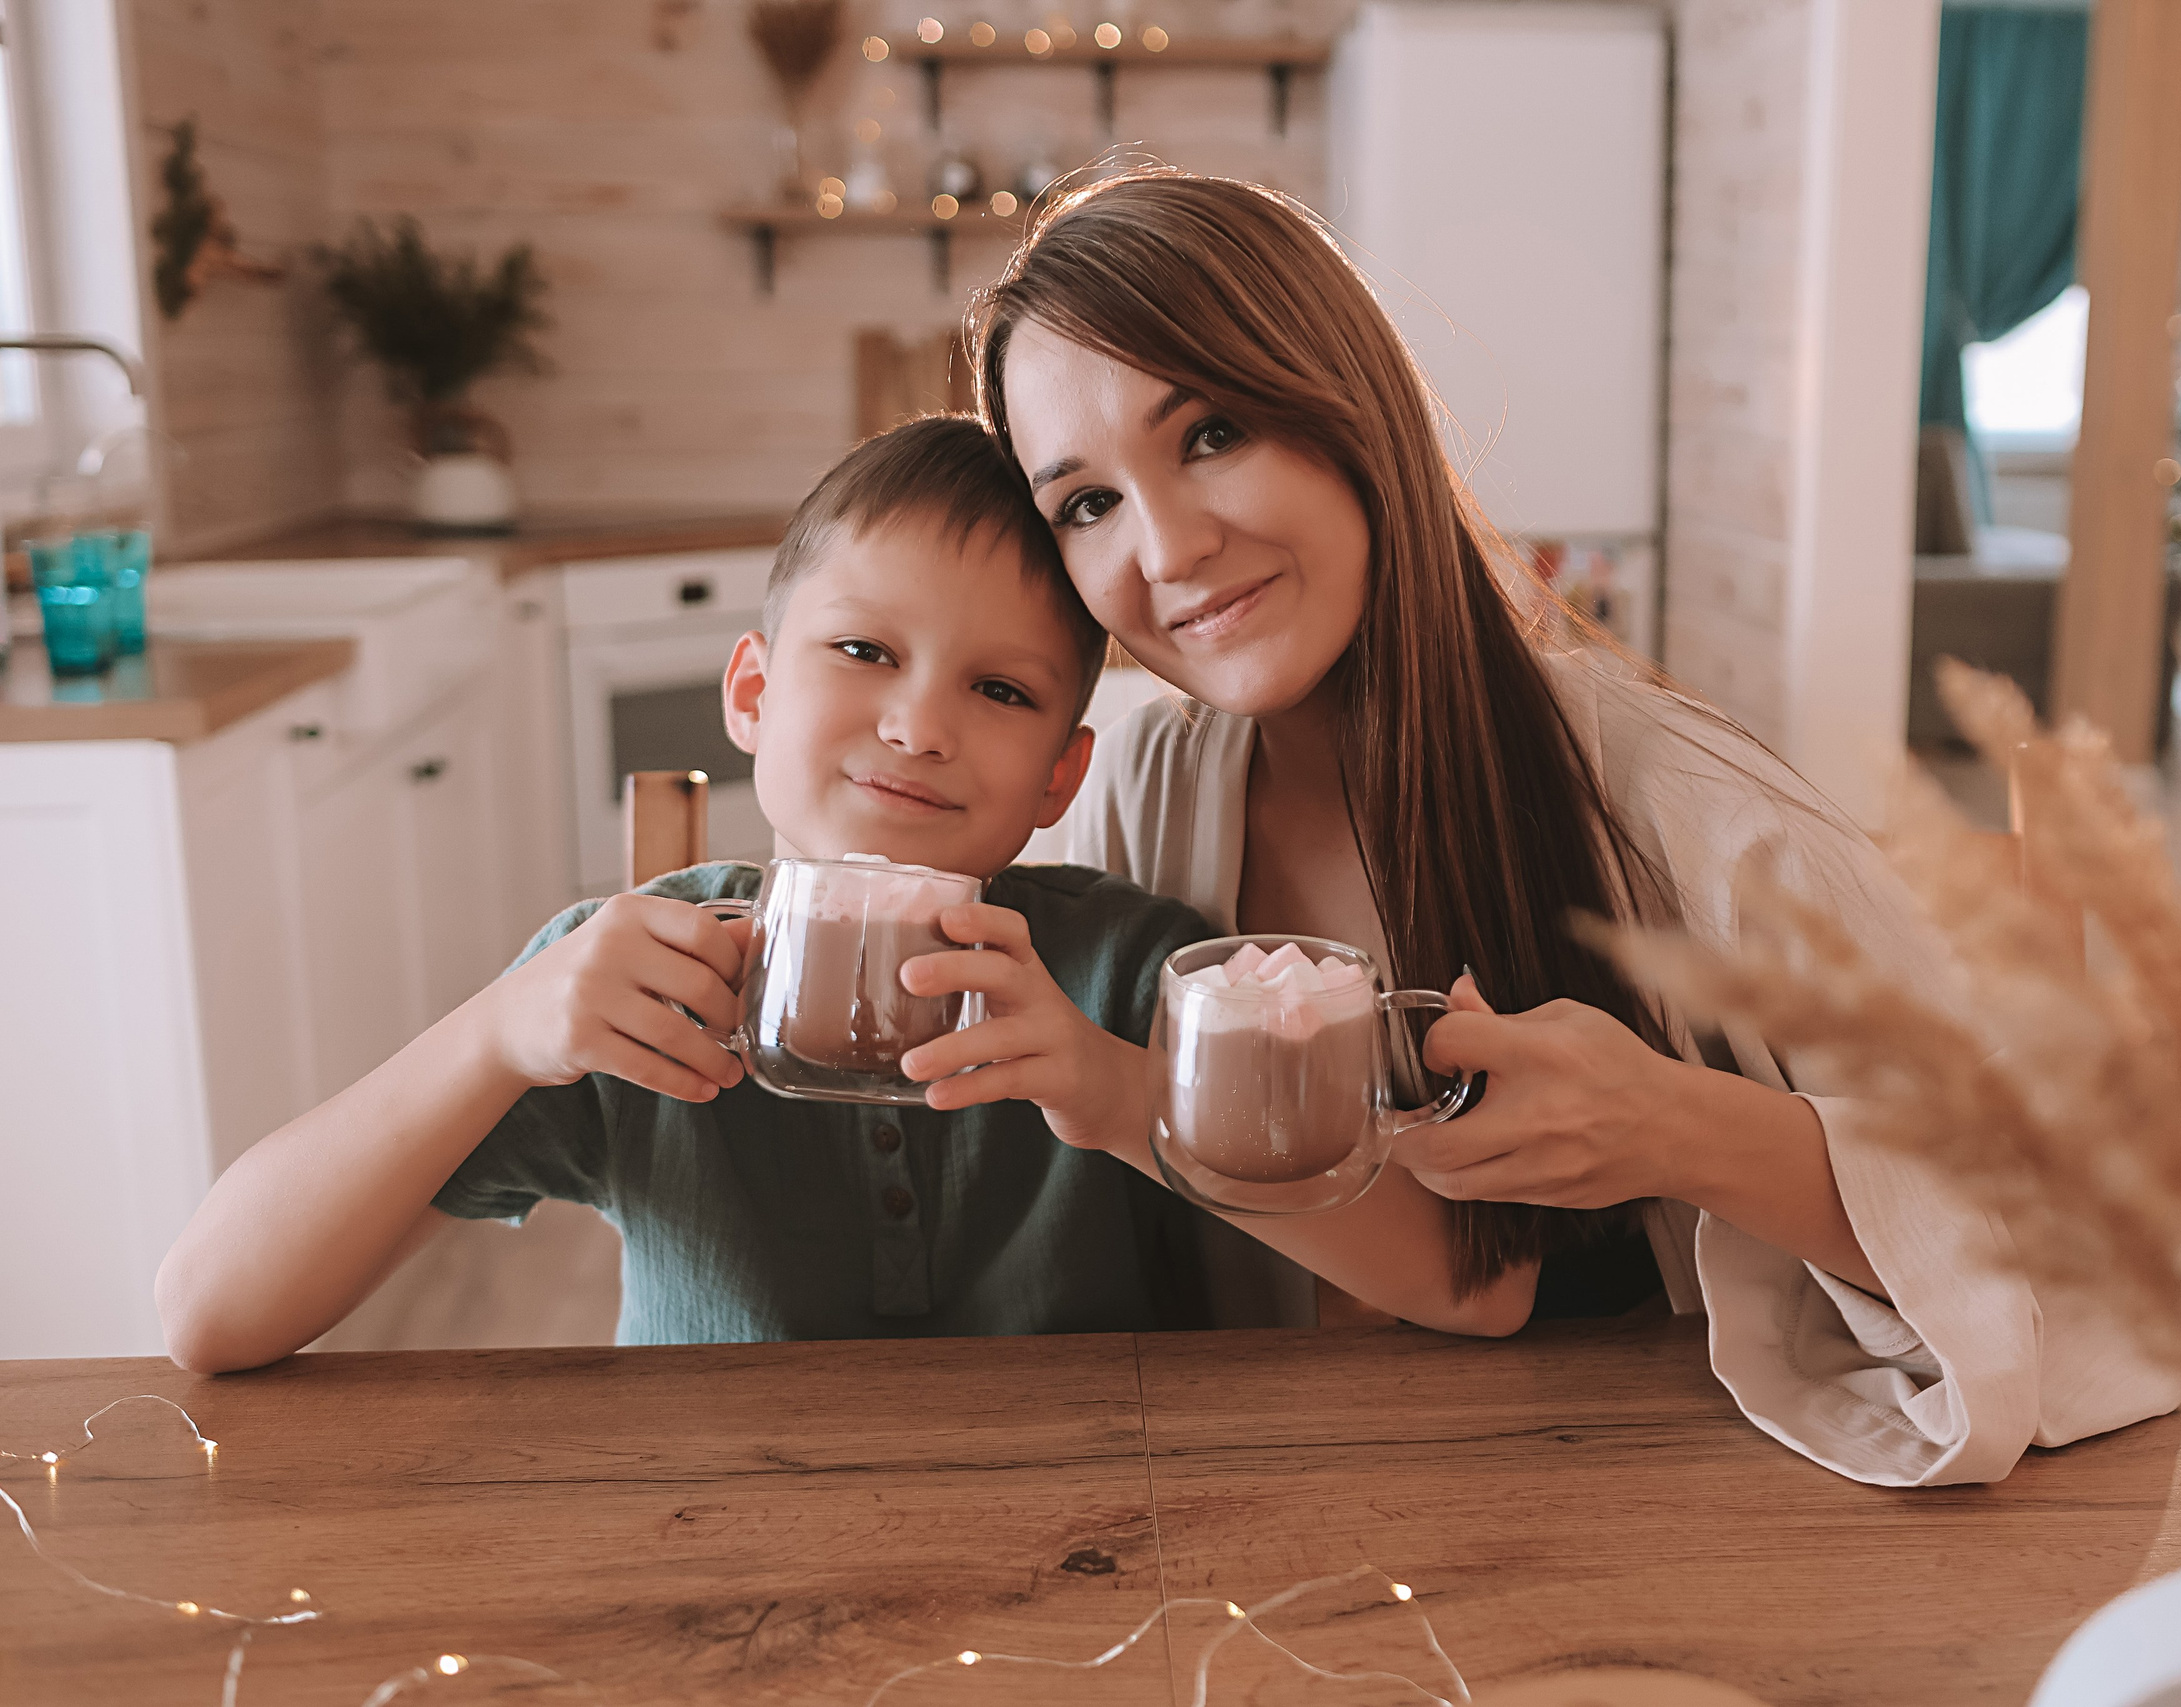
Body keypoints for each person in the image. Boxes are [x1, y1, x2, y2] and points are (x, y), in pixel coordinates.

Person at [971, 169, 2181, 1486]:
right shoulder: (1137, 789)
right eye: (1086, 501)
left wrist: (1676, 1125)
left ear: (1351, 406)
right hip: (1260, 1519)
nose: (1169, 545)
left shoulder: (1678, 808)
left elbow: (2090, 1252)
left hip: (1664, 1548)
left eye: (1209, 433)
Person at [154, 416, 1532, 1374]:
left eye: (997, 690)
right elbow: (210, 1311)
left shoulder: (1127, 974)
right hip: (723, 1578)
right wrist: (495, 1029)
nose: (918, 726)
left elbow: (1471, 1288)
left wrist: (1119, 1094)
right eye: (864, 649)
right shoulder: (631, 984)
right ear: (753, 690)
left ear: (1060, 773)